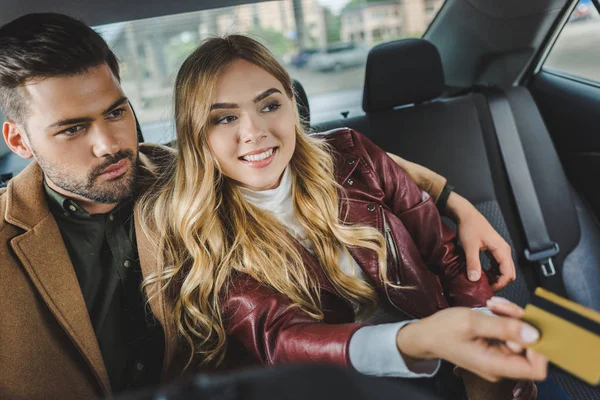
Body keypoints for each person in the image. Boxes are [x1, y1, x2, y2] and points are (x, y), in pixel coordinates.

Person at [0, 13, 533, 399]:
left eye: (117, 113)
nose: (109, 144)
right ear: (19, 140)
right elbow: (279, 337)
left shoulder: (170, 171)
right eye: (72, 129)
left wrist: (455, 201)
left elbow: (343, 158)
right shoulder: (201, 215)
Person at [137, 35, 546, 399]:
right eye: (225, 117)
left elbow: (443, 250)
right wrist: (417, 341)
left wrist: (479, 332)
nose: (254, 130)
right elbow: (282, 338)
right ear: (196, 134)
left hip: (453, 361)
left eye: (269, 105)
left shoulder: (352, 155)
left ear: (291, 106)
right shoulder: (204, 230)